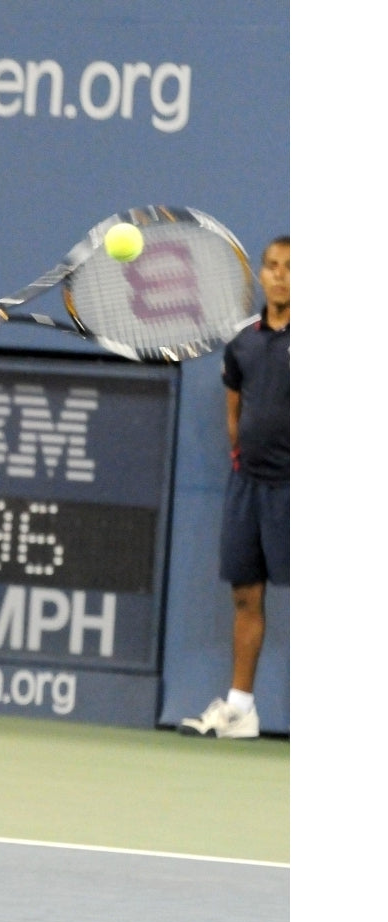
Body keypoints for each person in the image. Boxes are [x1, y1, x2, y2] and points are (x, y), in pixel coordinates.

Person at [178, 235, 290, 739]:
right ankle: (241, 709)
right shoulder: (244, 340)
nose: (280, 274)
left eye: (290, 266)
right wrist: (244, 457)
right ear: (260, 275)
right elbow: (234, 414)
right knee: (246, 598)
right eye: (271, 265)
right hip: (249, 486)